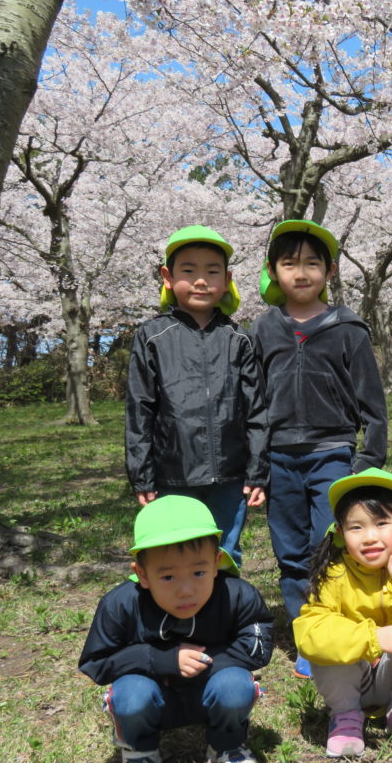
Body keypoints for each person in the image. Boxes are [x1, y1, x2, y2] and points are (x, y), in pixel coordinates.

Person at [249, 219, 388, 677]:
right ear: (273, 271)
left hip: (332, 452)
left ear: (329, 271)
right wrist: (256, 466)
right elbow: (253, 403)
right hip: (279, 457)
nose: (301, 272)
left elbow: (372, 403)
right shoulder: (262, 329)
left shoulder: (349, 329)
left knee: (327, 545)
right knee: (289, 552)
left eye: (312, 263)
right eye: (290, 264)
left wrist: (369, 459)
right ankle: (308, 635)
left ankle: (338, 630)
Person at [79, 496, 274, 763]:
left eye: (198, 573)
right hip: (152, 695)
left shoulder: (238, 595)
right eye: (168, 576)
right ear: (143, 574)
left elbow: (258, 647)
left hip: (211, 689)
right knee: (130, 695)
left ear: (216, 562)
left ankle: (227, 746)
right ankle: (139, 749)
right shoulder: (120, 604)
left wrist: (203, 662)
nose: (186, 590)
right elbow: (96, 662)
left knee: (235, 686)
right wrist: (162, 659)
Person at [125, 225, 269, 567]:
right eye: (189, 271)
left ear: (227, 280)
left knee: (225, 555)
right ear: (168, 277)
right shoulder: (152, 337)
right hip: (172, 474)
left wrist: (257, 471)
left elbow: (256, 411)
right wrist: (141, 473)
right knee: (176, 557)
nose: (201, 281)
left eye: (212, 272)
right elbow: (139, 409)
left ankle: (226, 602)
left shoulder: (239, 339)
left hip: (231, 476)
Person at [292, 469, 392, 757]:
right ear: (340, 533)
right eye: (356, 527)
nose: (369, 537)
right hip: (352, 681)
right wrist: (372, 637)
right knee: (327, 648)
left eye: (382, 523)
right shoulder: (333, 576)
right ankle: (345, 717)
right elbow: (309, 634)